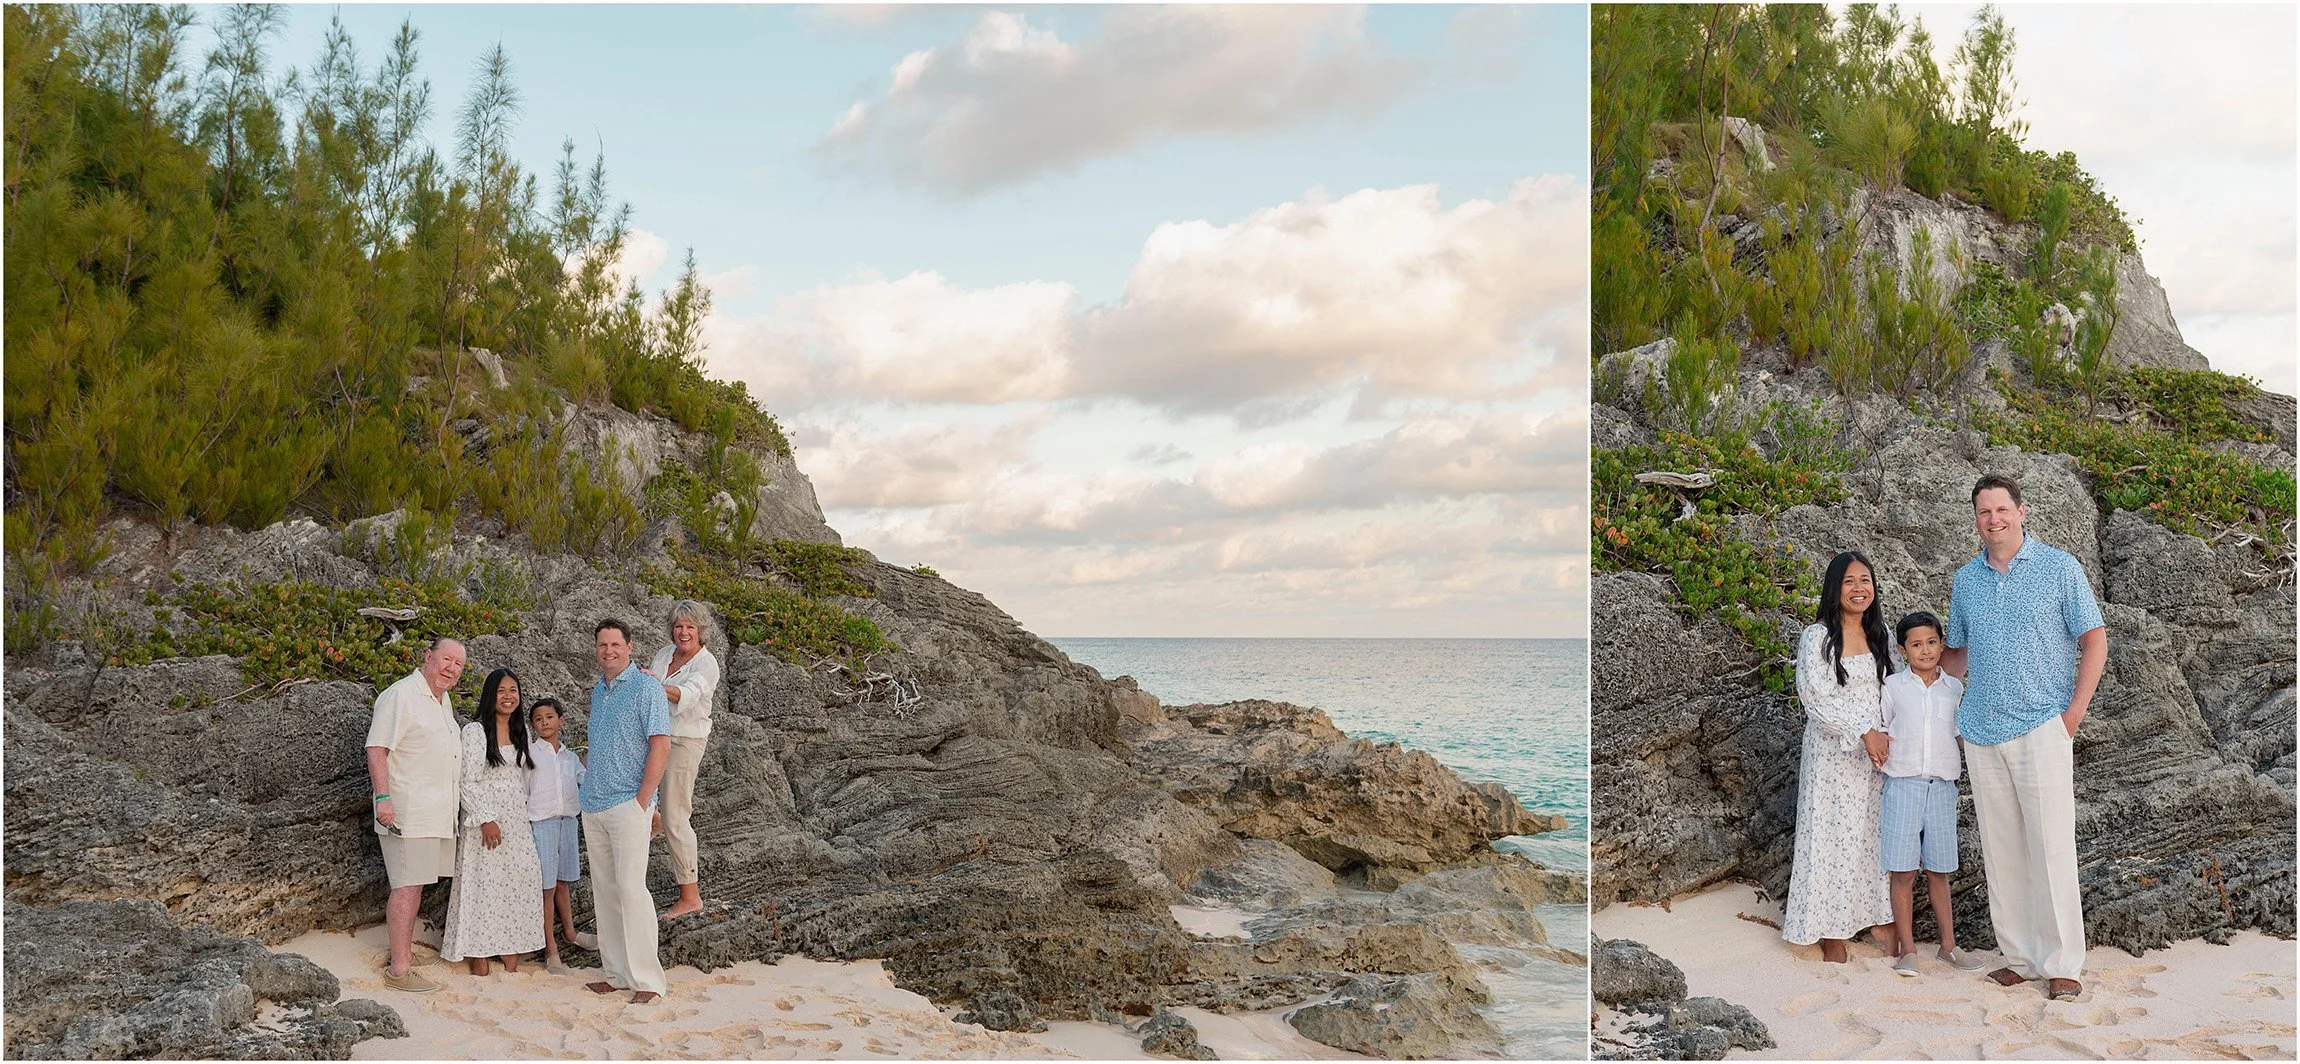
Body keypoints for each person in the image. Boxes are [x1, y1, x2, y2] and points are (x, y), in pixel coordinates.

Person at [1942, 474, 2107, 1001]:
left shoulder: (2060, 567)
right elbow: (1960, 654)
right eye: (1984, 512)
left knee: (2051, 844)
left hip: (2043, 724)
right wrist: (1909, 650)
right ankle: (2017, 956)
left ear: (2022, 511)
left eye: (2002, 509)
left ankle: (2062, 963)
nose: (1994, 519)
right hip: (1982, 730)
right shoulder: (1965, 580)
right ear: (1975, 519)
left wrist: (2073, 713)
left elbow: (2094, 638)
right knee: (2002, 847)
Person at [1782, 551, 1899, 962]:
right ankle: (1830, 929)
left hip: (1877, 754)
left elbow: (1894, 688)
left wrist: (1888, 735)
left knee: (1872, 837)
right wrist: (1863, 733)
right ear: (1834, 587)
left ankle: (1876, 917)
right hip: (1835, 753)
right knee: (1833, 838)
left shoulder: (1880, 631)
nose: (1858, 588)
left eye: (1865, 580)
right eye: (1849, 581)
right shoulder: (1817, 636)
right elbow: (1816, 699)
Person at [1877, 611, 1985, 977]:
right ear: (1902, 649)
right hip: (1902, 785)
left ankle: (1948, 946)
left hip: (1942, 787)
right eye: (1916, 644)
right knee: (1903, 871)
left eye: (1932, 642)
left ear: (1942, 643)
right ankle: (1908, 949)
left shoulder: (1954, 689)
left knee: (1939, 870)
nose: (1925, 650)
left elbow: (1961, 734)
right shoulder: (1892, 688)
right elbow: (1880, 730)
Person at [365, 638, 467, 994]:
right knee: (406, 887)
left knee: (417, 884)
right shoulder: (401, 695)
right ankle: (399, 970)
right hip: (406, 811)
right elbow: (376, 748)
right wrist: (383, 798)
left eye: (458, 665)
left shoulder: (442, 700)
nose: (451, 668)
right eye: (446, 660)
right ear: (428, 658)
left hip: (435, 814)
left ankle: (403, 952)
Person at [579, 619, 672, 1003]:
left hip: (627, 804)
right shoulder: (597, 691)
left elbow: (661, 746)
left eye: (615, 644)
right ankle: (616, 974)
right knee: (605, 891)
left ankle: (648, 981)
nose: (608, 651)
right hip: (593, 804)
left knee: (633, 890)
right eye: (602, 645)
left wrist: (643, 800)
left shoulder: (647, 687)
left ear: (630, 647)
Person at [440, 669, 547, 974]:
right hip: (484, 817)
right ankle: (478, 954)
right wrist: (486, 819)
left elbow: (524, 777)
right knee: (484, 885)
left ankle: (510, 946)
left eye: (513, 690)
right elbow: (467, 781)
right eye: (501, 691)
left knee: (518, 880)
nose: (508, 696)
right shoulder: (475, 731)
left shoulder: (520, 730)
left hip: (516, 816)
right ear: (490, 695)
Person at [644, 599, 720, 921]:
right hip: (656, 736)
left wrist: (654, 684)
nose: (683, 632)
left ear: (700, 631)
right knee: (637, 798)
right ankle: (656, 815)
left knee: (677, 817)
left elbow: (686, 696)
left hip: (686, 740)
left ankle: (690, 896)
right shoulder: (664, 654)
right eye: (678, 626)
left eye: (690, 626)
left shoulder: (707, 664)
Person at [526, 697, 596, 975]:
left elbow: (587, 780)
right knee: (546, 887)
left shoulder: (570, 758)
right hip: (541, 823)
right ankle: (550, 948)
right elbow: (522, 789)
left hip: (568, 822)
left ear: (561, 720)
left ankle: (570, 932)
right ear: (533, 725)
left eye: (549, 717)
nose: (544, 723)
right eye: (538, 719)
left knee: (562, 882)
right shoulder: (529, 754)